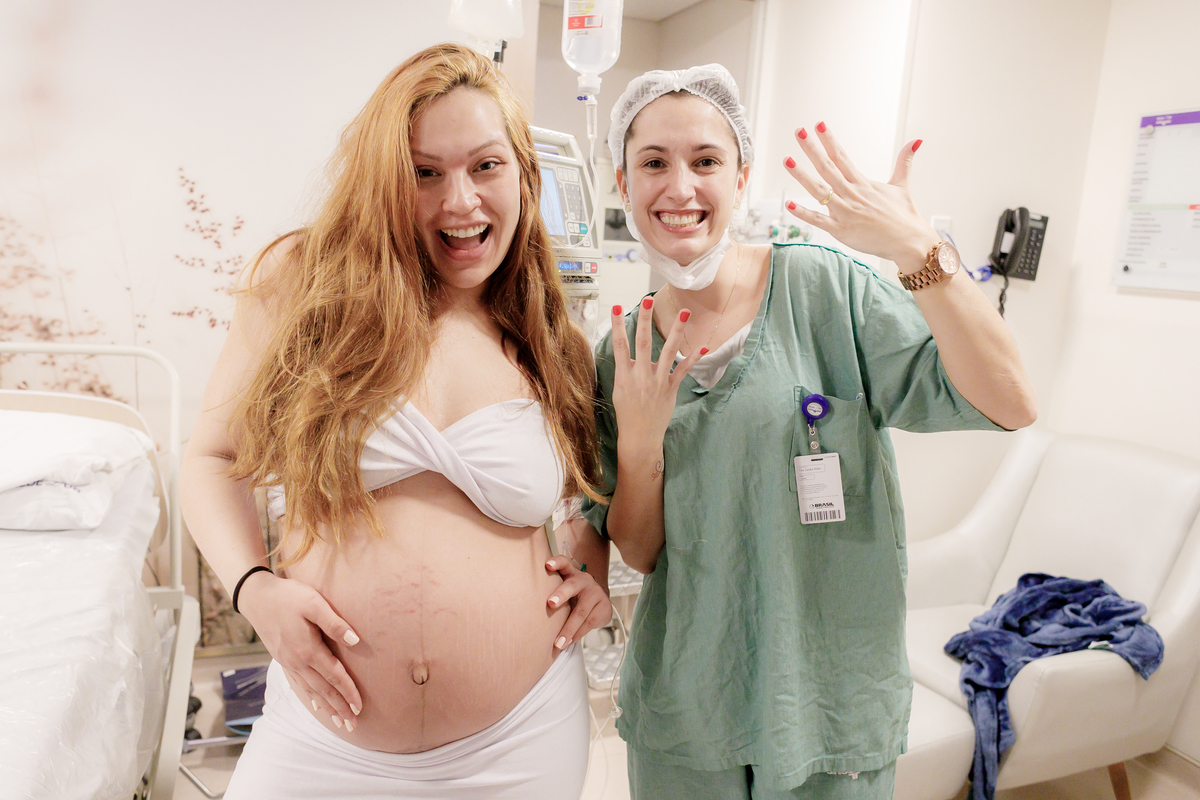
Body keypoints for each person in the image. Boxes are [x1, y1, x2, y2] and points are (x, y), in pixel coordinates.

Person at [581, 65, 1037, 800]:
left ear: (742, 175)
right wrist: (638, 448)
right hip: (688, 707)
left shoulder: (828, 291)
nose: (680, 187)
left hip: (826, 706)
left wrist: (919, 252)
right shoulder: (623, 349)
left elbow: (1010, 401)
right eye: (653, 163)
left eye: (706, 161)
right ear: (622, 180)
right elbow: (636, 547)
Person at [179, 43, 613, 800]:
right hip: (323, 742)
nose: (460, 202)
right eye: (424, 172)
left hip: (524, 738)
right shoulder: (304, 288)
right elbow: (212, 460)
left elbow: (592, 494)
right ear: (385, 179)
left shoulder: (546, 331)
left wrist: (594, 568)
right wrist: (257, 592)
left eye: (485, 166)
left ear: (523, 173)